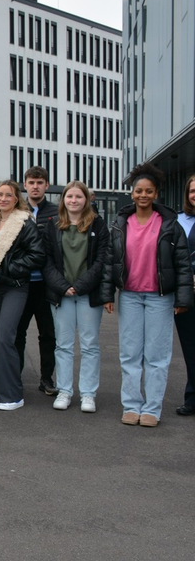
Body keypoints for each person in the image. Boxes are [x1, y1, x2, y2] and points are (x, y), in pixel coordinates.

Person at [107, 162, 193, 427]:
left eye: (149, 191)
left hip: (160, 298)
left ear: (156, 194)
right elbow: (110, 261)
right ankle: (131, 405)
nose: (143, 195)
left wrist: (182, 298)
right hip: (130, 296)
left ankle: (152, 409)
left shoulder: (169, 224)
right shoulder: (121, 223)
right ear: (132, 193)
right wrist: (108, 293)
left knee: (157, 356)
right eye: (138, 191)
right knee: (130, 355)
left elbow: (182, 265)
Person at [42, 181, 112, 413]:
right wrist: (63, 287)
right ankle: (64, 391)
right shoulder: (53, 226)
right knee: (63, 345)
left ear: (87, 199)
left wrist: (80, 286)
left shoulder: (98, 225)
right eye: (69, 197)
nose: (73, 201)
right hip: (61, 294)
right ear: (63, 200)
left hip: (87, 294)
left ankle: (88, 394)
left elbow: (102, 260)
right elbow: (47, 262)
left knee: (90, 345)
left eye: (78, 197)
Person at [0, 180, 44, 411]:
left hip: (15, 287)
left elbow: (37, 255)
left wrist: (9, 268)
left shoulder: (25, 222)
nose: (3, 199)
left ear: (16, 198)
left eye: (8, 195)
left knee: (5, 337)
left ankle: (13, 395)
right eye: (0, 195)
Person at [15, 166, 59, 395]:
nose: (35, 186)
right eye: (31, 182)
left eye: (39, 182)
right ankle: (16, 377)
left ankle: (46, 378)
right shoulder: (16, 209)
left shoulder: (55, 211)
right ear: (25, 185)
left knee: (48, 333)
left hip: (46, 284)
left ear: (47, 185)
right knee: (17, 332)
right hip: (21, 282)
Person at [175, 174, 195, 417]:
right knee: (190, 348)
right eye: (192, 191)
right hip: (185, 293)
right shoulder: (178, 220)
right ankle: (192, 397)